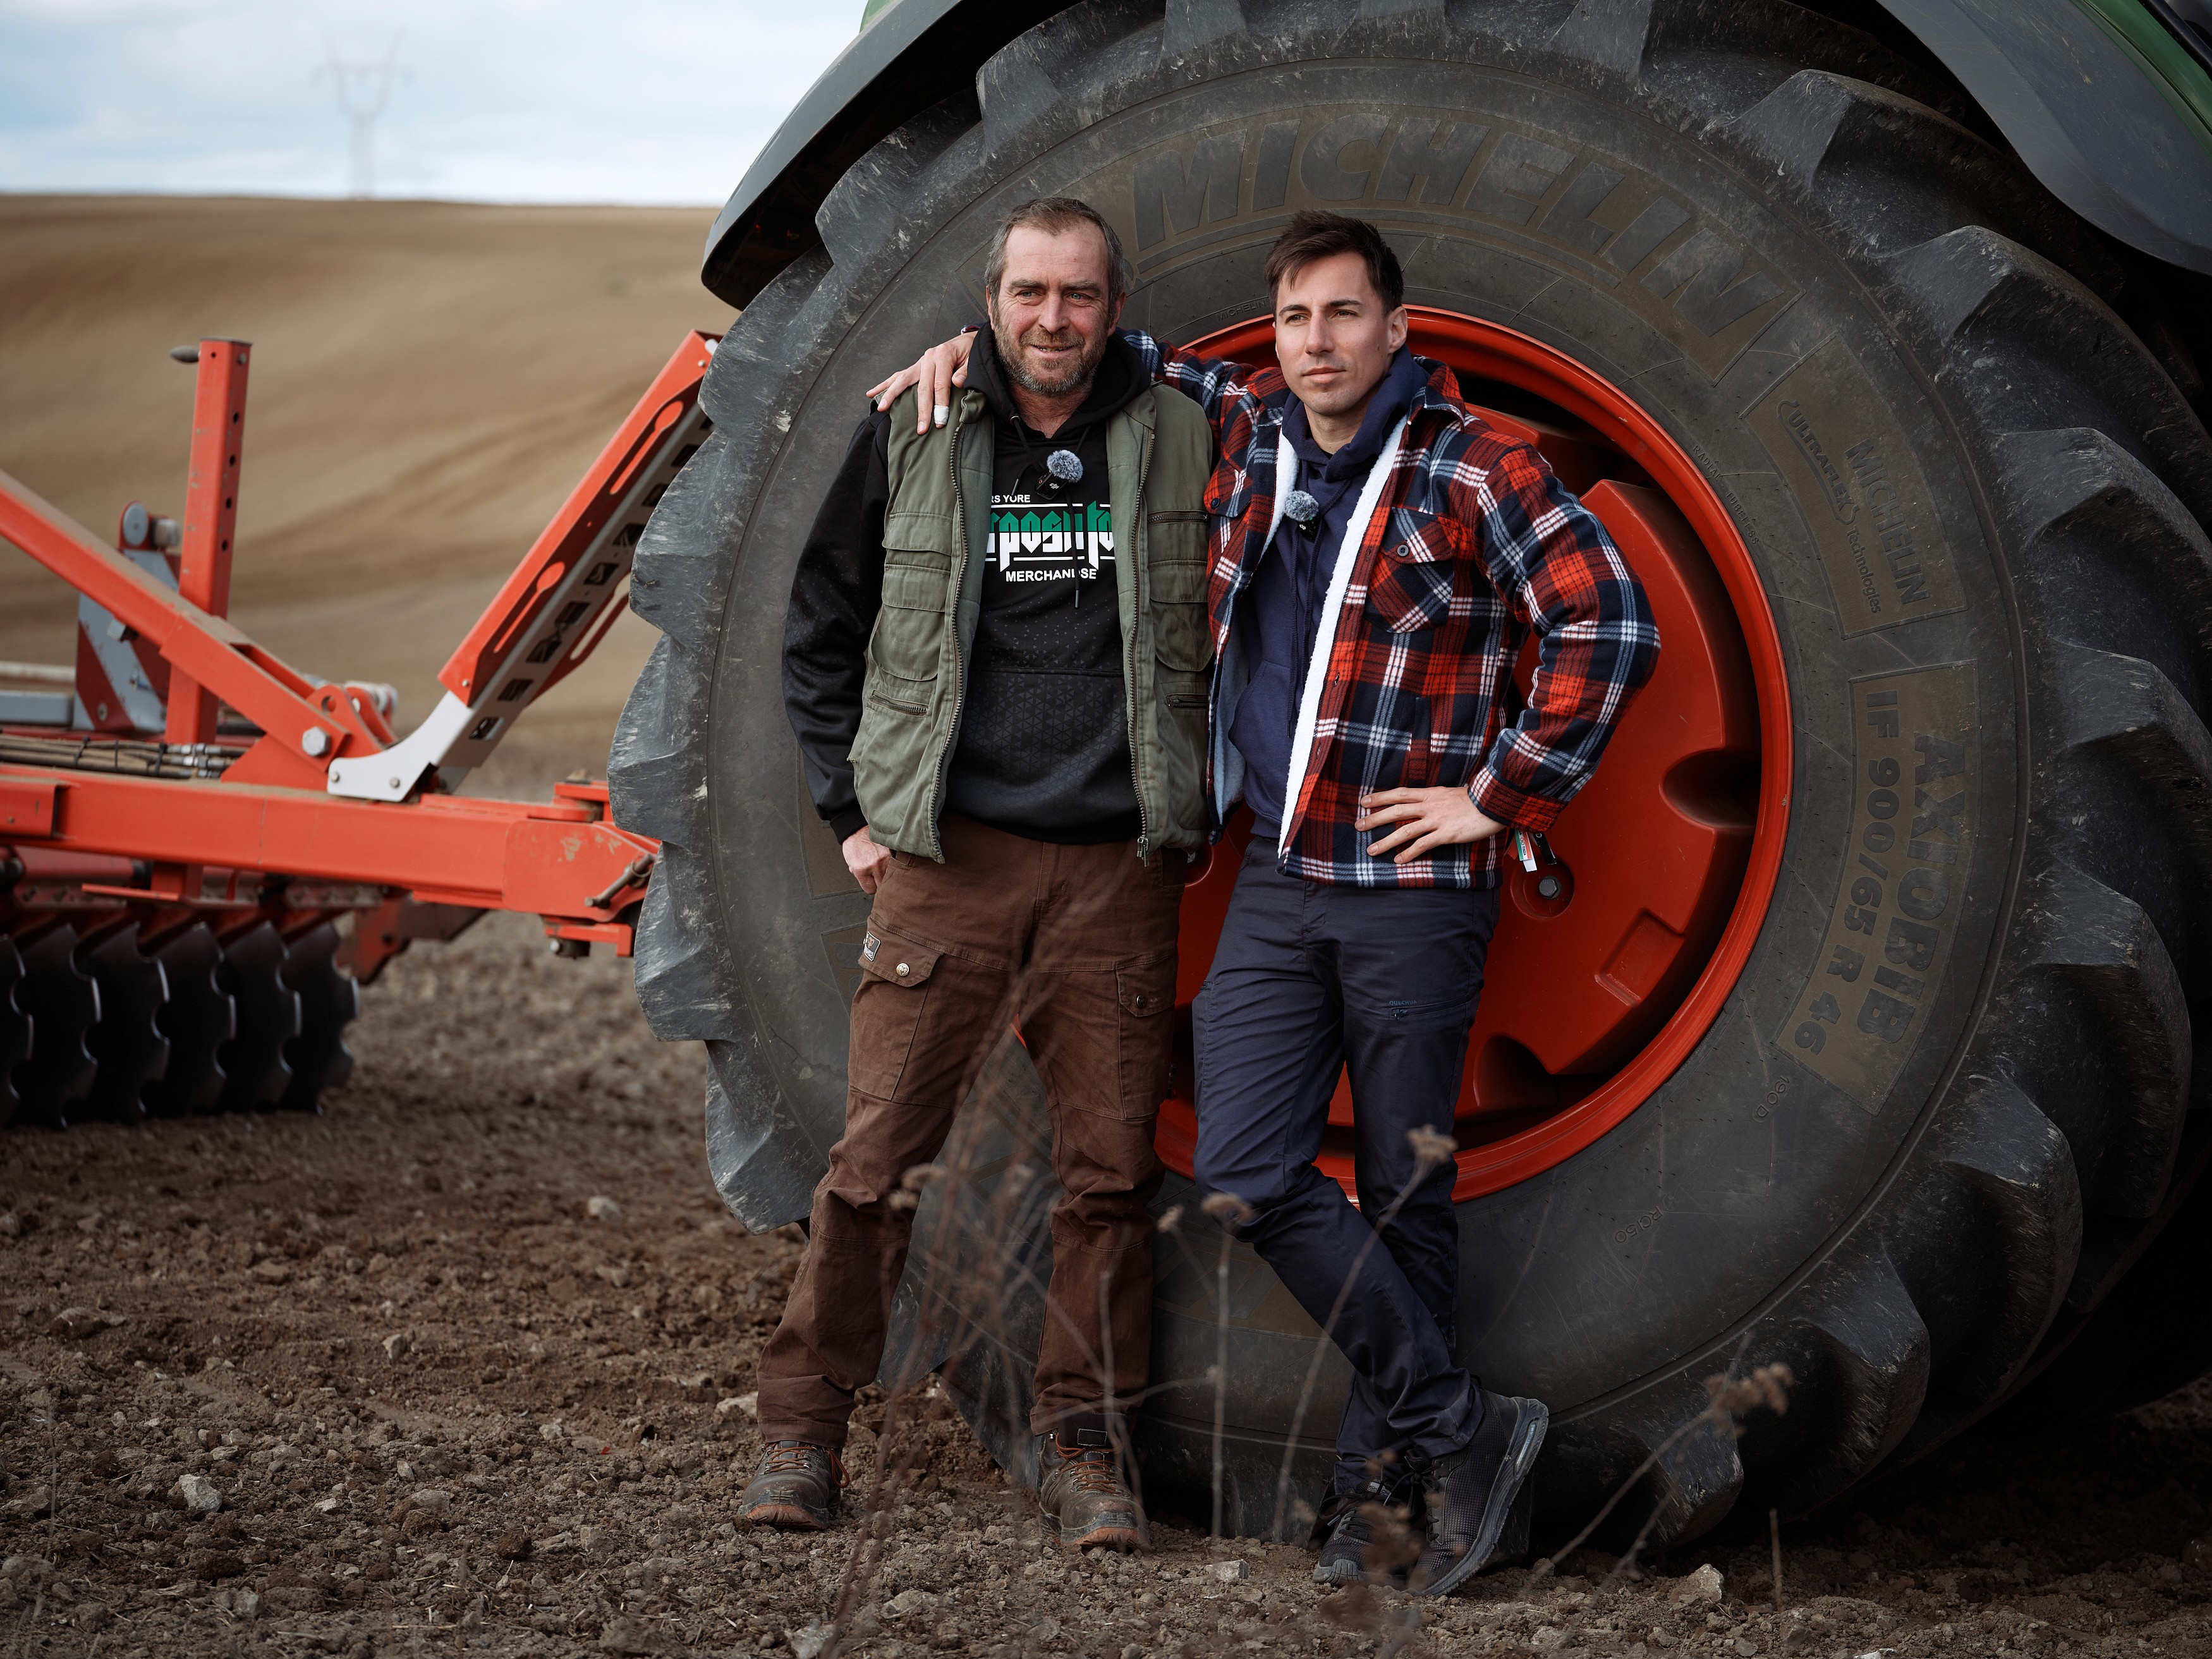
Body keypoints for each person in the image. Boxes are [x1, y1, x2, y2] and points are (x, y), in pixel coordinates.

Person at [873, 211, 1658, 1594]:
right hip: (1285, 887)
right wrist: (970, 348)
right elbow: (1112, 347)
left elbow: (1608, 619)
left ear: (1396, 328)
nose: (1316, 343)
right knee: (1246, 1169)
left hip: (1415, 889)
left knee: (1405, 1194)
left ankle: (1375, 1494)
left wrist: (1502, 793)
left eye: (1344, 316)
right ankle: (1464, 1425)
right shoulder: (1251, 431)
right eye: (1295, 318)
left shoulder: (1475, 466)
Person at [750, 196, 1216, 1552]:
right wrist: (850, 804)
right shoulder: (917, 423)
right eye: (1028, 294)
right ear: (992, 301)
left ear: (1113, 304)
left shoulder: (1186, 428)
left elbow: (1326, 374)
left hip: (1116, 866)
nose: (1052, 319)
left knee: (1109, 1178)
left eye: (1077, 295)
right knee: (873, 1162)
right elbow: (819, 621)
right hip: (949, 861)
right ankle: (800, 1430)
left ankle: (1081, 1444)